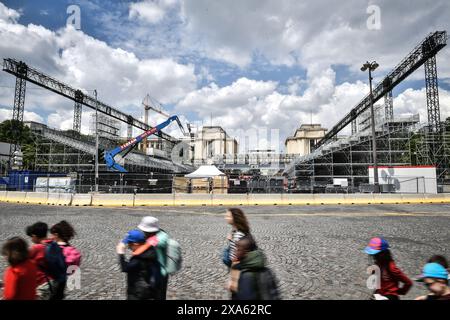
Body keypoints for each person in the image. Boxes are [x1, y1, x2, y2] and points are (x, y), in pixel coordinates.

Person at [228, 235, 280, 300]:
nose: (235, 252)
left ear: (246, 252)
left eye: (238, 249)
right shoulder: (267, 271)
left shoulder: (246, 275)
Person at [117, 229, 160, 300]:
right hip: (149, 289)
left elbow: (125, 268)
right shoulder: (149, 250)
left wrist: (121, 253)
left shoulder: (139, 259)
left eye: (129, 244)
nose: (128, 247)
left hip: (138, 292)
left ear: (135, 244)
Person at [134, 216, 170, 300]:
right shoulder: (149, 236)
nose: (143, 232)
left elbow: (157, 242)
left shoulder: (162, 236)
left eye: (144, 231)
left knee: (159, 296)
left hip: (160, 273)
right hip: (149, 271)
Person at [49, 220, 82, 299]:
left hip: (52, 281)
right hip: (63, 279)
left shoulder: (54, 249)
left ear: (56, 235)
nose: (51, 237)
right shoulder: (69, 248)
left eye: (52, 235)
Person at [26, 222, 56, 300]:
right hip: (54, 281)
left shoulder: (36, 248)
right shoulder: (52, 243)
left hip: (43, 283)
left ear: (34, 236)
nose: (31, 239)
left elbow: (22, 259)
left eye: (31, 237)